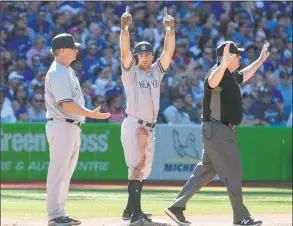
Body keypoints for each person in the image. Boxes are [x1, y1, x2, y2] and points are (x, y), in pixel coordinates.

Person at [165, 41, 270, 226]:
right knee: (233, 172)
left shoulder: (229, 75)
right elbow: (212, 81)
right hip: (218, 130)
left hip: (219, 131)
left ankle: (177, 207)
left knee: (205, 171)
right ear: (226, 57)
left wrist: (260, 60)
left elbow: (244, 75)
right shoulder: (215, 73)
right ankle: (241, 217)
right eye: (237, 55)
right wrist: (222, 63)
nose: (239, 58)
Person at [44, 33, 111, 226]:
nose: (76, 49)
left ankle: (60, 213)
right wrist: (91, 114)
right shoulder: (57, 71)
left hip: (71, 126)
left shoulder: (66, 70)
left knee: (66, 172)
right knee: (58, 171)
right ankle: (54, 215)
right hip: (62, 123)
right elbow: (66, 104)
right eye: (73, 47)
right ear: (63, 50)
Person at [120, 6, 175, 225]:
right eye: (141, 55)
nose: (144, 57)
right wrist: (124, 29)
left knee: (142, 170)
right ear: (137, 57)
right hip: (135, 124)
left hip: (148, 126)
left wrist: (170, 31)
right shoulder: (131, 72)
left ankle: (129, 210)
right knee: (137, 168)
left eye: (147, 54)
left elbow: (168, 53)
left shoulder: (155, 71)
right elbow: (124, 52)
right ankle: (136, 217)